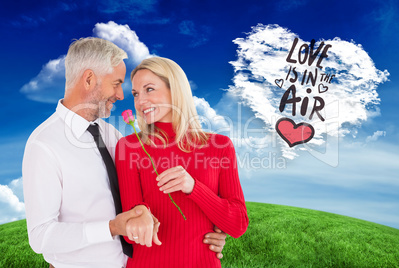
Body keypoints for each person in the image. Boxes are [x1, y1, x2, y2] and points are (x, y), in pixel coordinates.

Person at [22, 37, 226, 268]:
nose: (121, 95)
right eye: (116, 83)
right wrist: (111, 228)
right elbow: (41, 237)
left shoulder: (114, 136)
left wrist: (209, 231)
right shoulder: (45, 144)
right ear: (89, 79)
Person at [116, 56, 249, 267]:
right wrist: (138, 221)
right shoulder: (129, 146)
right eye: (135, 94)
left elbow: (238, 224)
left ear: (174, 90)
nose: (140, 101)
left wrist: (194, 188)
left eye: (149, 89)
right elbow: (132, 232)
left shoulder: (220, 146)